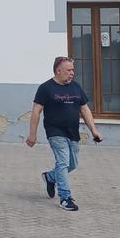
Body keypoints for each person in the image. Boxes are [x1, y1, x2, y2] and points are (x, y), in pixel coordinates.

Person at [25, 56, 103, 211]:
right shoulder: (46, 88)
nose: (72, 73)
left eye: (73, 70)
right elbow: (36, 111)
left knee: (72, 164)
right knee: (63, 163)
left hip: (72, 132)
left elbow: (84, 109)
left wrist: (94, 130)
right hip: (55, 132)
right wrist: (32, 134)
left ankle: (50, 177)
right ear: (58, 70)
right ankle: (65, 198)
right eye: (69, 70)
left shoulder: (76, 87)